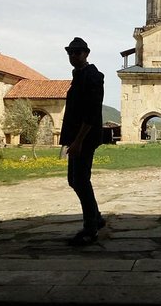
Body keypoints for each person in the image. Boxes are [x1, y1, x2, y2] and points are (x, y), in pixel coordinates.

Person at [60, 37, 106, 246]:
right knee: (74, 180)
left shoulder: (92, 76)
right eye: (70, 52)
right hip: (76, 137)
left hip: (85, 138)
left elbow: (92, 111)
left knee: (80, 180)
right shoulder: (79, 75)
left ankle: (91, 228)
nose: (73, 56)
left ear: (86, 54)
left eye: (77, 52)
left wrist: (78, 140)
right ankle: (95, 217)